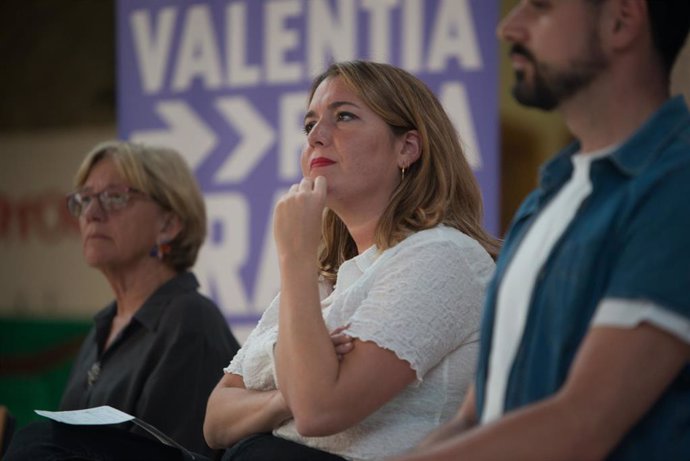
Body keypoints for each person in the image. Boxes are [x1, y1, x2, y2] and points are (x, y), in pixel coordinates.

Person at [390, 1, 690, 460]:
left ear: (621, 20)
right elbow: (478, 416)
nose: (509, 28)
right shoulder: (542, 202)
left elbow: (583, 424)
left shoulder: (675, 186)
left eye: (541, 8)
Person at [202, 60, 499, 461]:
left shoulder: (442, 256)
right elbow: (215, 421)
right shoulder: (325, 280)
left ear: (407, 148)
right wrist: (284, 397)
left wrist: (294, 256)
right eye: (309, 126)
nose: (317, 137)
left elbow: (318, 410)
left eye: (343, 117)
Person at [5, 141, 240, 460]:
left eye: (114, 197)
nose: (91, 213)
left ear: (168, 225)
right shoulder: (103, 327)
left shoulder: (191, 322)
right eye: (84, 200)